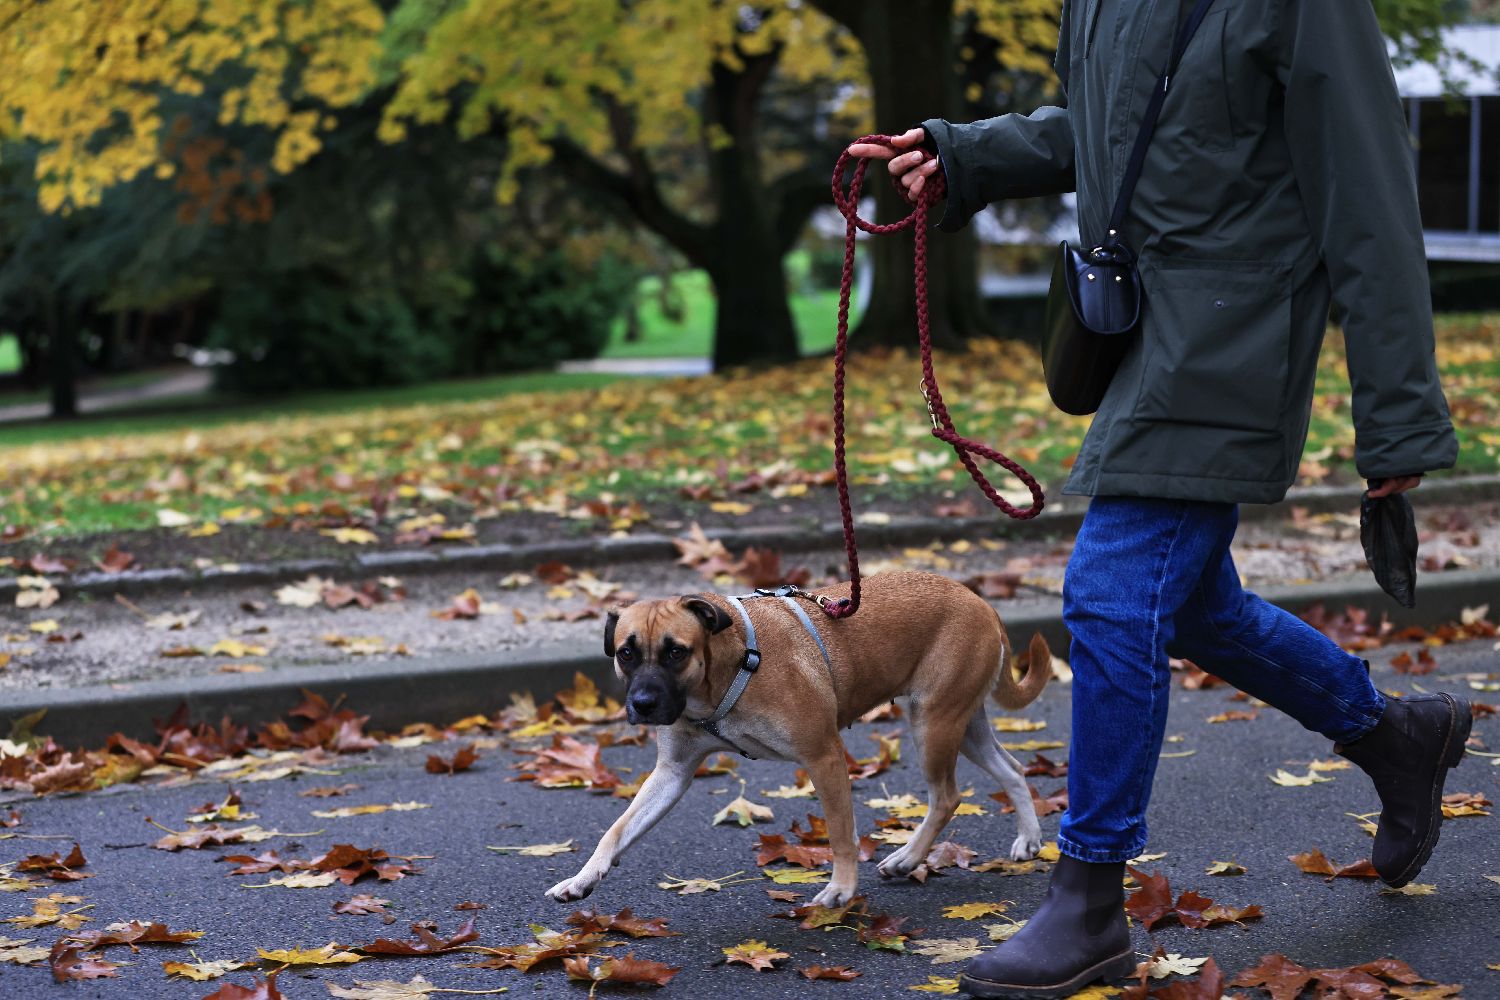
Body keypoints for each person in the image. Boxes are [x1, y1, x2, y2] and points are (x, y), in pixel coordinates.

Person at [849, 1, 1469, 997]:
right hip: (1149, 329)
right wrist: (970, 156)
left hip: (1239, 336)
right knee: (1191, 602)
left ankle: (1089, 899)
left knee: (1113, 584)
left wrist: (1398, 415)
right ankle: (1398, 736)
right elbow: (1118, 126)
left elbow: (1371, 193)